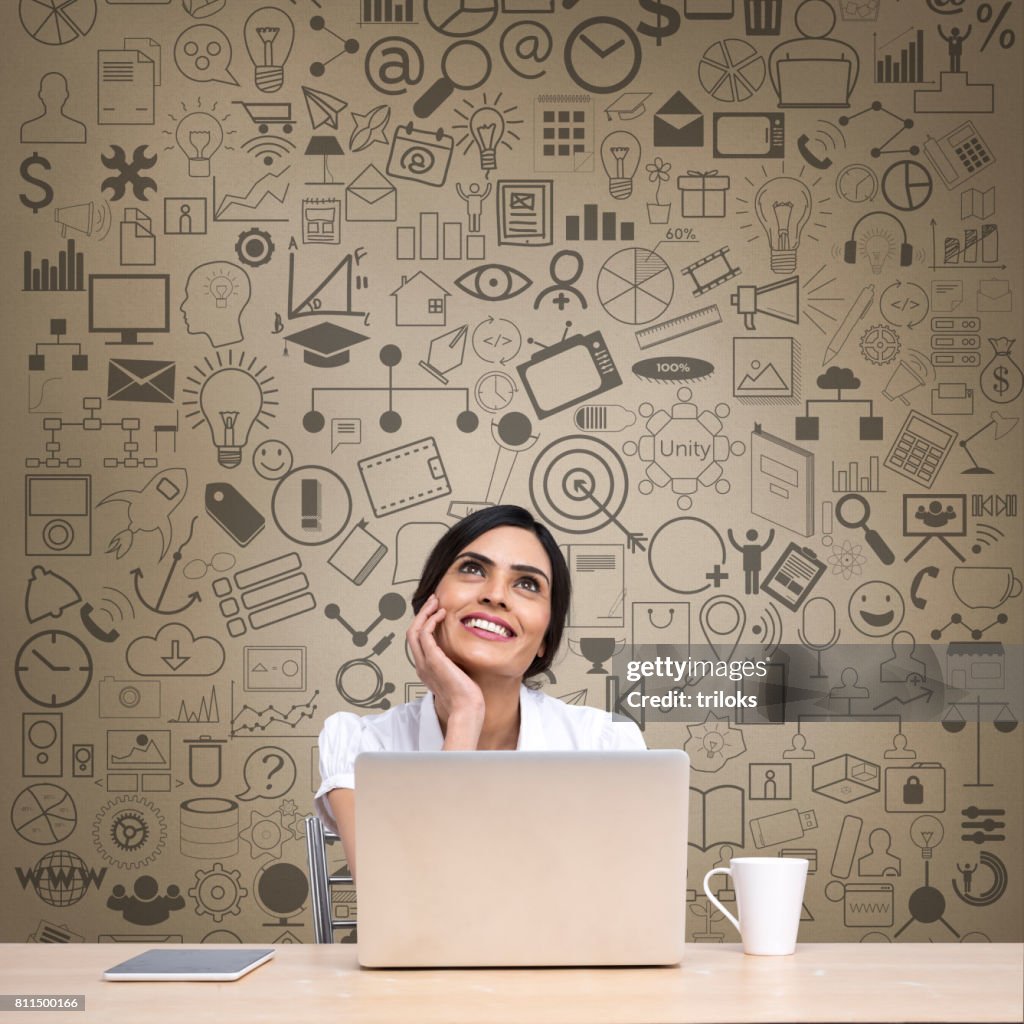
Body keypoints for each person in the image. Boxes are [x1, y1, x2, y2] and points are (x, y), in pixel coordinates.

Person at [315, 505, 646, 881]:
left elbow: (623, 909)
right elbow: (398, 901)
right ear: (429, 602)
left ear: (544, 640)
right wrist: (465, 717)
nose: (496, 594)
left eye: (527, 584)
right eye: (473, 569)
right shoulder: (361, 746)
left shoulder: (606, 745)